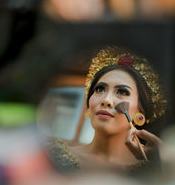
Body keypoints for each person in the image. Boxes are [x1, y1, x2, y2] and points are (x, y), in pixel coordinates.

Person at [48, 46, 167, 176]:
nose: (106, 100)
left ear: (141, 112)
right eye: (99, 89)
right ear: (88, 103)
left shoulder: (154, 171)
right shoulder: (51, 154)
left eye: (122, 92)